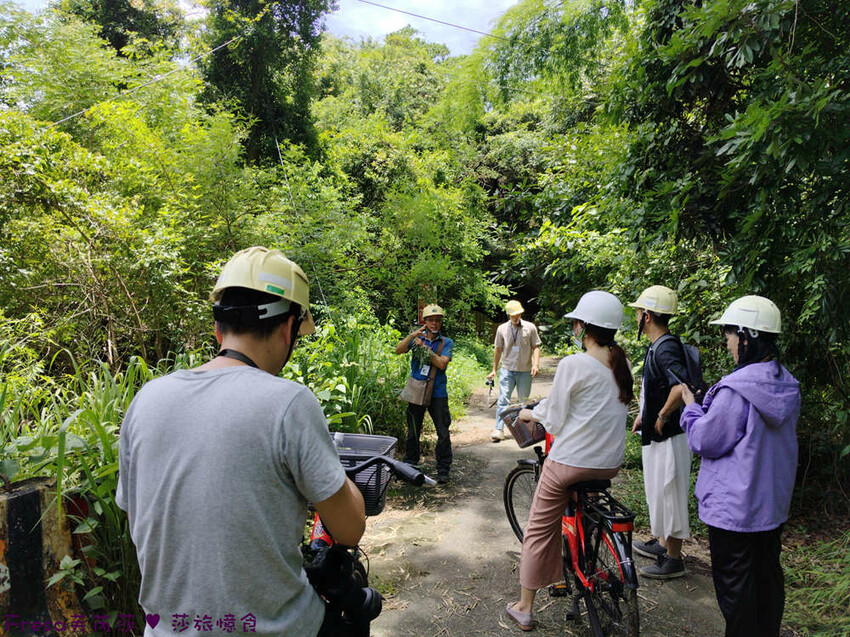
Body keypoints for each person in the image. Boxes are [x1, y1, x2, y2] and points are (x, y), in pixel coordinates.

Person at [116, 247, 366, 637]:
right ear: (288, 329)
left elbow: (139, 520)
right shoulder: (289, 403)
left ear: (219, 329)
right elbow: (350, 530)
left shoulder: (146, 399)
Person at [504, 291, 634, 631]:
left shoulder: (573, 364)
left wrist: (532, 413)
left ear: (585, 327)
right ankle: (590, 555)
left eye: (576, 322)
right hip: (609, 464)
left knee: (537, 529)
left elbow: (555, 419)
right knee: (583, 508)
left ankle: (524, 607)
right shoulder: (622, 363)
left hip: (570, 463)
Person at [678, 295, 799, 637]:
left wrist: (690, 407)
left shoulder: (737, 391)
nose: (728, 344)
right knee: (766, 588)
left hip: (733, 513)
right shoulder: (787, 385)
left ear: (746, 337)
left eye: (730, 335)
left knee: (737, 599)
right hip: (769, 509)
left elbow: (707, 441)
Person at [628, 285, 691, 579]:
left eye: (638, 312)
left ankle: (674, 559)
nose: (636, 316)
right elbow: (657, 387)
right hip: (658, 435)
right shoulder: (658, 345)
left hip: (671, 435)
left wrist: (663, 415)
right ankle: (664, 544)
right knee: (659, 491)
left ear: (648, 316)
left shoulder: (666, 346)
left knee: (671, 494)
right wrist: (644, 413)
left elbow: (680, 385)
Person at [395, 304, 453, 484]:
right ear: (425, 322)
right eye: (431, 320)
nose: (435, 323)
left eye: (437, 320)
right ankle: (410, 466)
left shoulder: (446, 342)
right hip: (417, 391)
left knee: (443, 433)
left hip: (438, 393)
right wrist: (413, 336)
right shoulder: (417, 338)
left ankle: (443, 470)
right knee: (413, 431)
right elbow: (398, 349)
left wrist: (425, 349)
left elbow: (442, 364)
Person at [487, 300, 542, 442]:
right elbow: (498, 349)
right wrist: (494, 369)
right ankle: (499, 429)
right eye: (513, 315)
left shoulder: (530, 328)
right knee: (503, 400)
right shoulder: (502, 329)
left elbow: (536, 346)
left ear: (521, 313)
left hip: (525, 370)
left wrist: (536, 364)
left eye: (518, 314)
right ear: (508, 315)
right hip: (507, 370)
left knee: (524, 402)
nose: (516, 317)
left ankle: (524, 430)